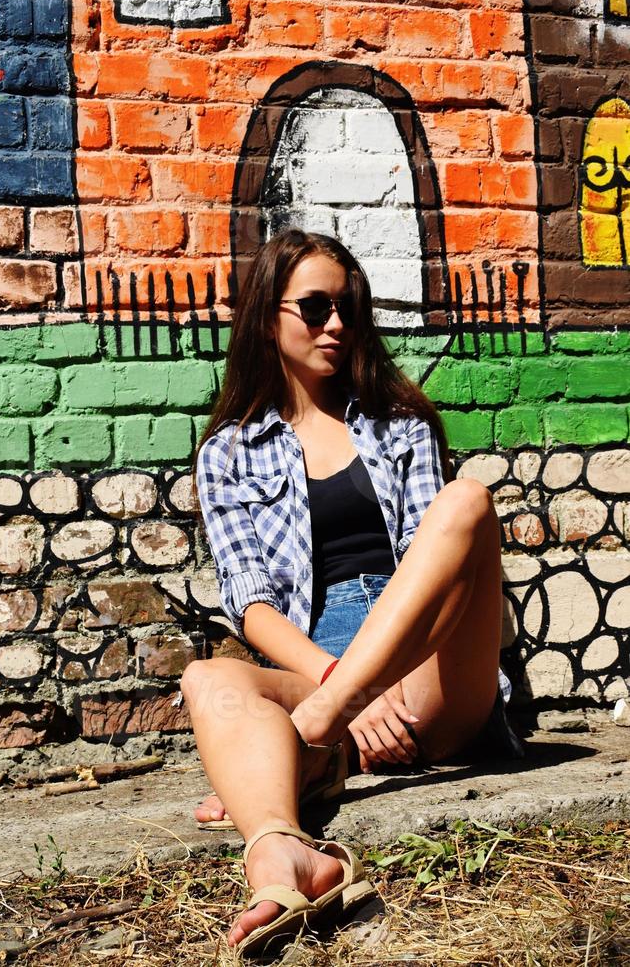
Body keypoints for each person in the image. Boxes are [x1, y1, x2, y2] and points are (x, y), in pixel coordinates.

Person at [181, 228, 521, 957]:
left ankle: (301, 745)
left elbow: (440, 582)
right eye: (313, 307)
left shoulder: (401, 425)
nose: (335, 324)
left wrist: (351, 697)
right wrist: (335, 683)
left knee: (464, 504)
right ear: (267, 316)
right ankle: (282, 855)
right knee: (208, 676)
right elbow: (254, 607)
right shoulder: (227, 454)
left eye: (348, 308)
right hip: (320, 670)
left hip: (423, 669)